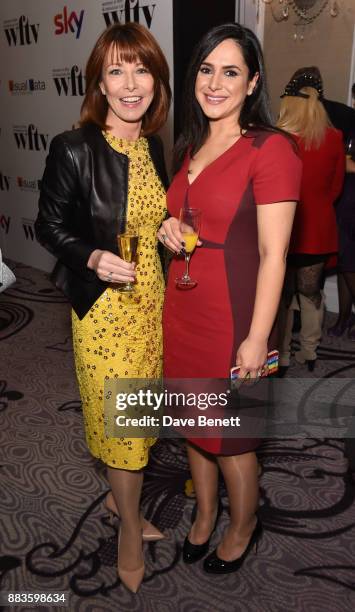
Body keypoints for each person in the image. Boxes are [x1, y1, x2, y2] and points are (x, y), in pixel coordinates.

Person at [158, 23, 301, 574]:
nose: (215, 82)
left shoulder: (272, 148)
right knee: (194, 420)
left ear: (253, 81)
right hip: (184, 304)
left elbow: (274, 255)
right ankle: (204, 514)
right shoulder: (191, 144)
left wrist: (258, 339)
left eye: (231, 71)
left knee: (234, 437)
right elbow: (190, 218)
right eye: (206, 69)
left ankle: (243, 526)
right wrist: (169, 228)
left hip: (236, 310)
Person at [35, 22, 171, 593]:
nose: (131, 83)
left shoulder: (152, 147)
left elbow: (144, 215)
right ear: (99, 83)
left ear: (156, 81)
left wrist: (167, 228)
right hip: (105, 314)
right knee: (122, 426)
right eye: (116, 70)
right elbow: (49, 226)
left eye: (141, 69)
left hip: (154, 306)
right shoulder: (73, 147)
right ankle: (129, 532)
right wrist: (91, 257)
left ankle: (123, 507)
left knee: (141, 419)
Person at [277, 69, 345, 372]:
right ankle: (309, 351)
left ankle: (280, 356)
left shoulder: (278, 139)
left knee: (281, 296)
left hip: (283, 229)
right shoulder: (334, 138)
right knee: (310, 292)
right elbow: (336, 189)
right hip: (317, 229)